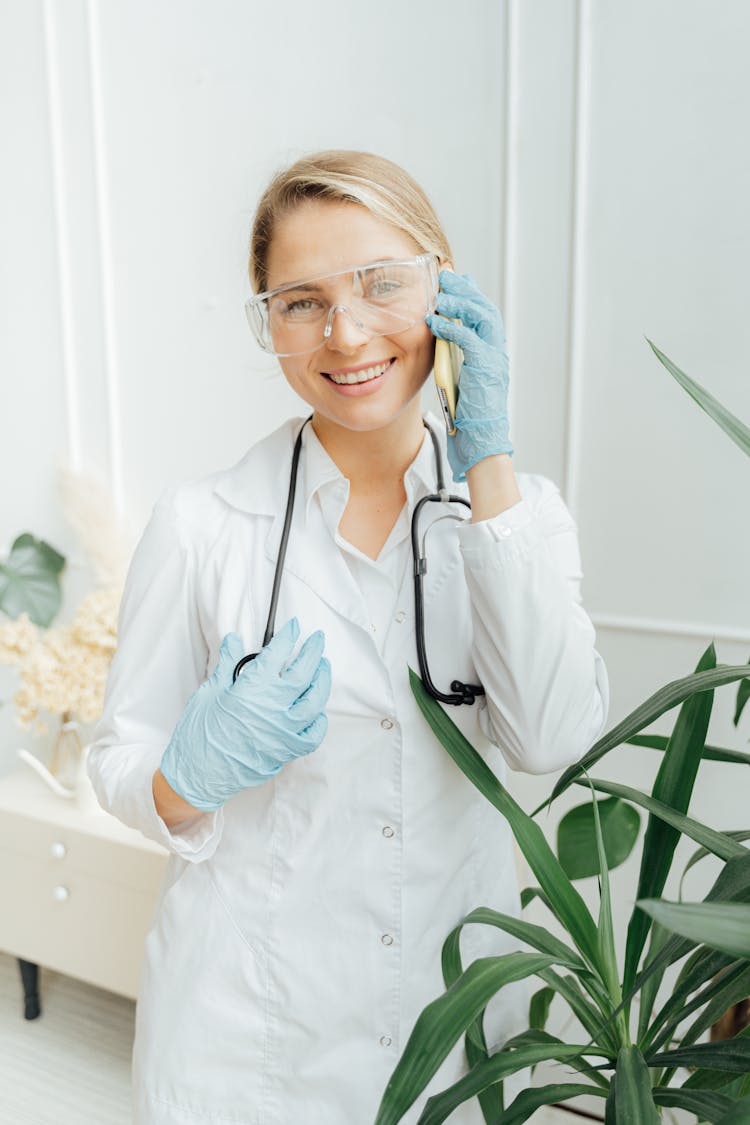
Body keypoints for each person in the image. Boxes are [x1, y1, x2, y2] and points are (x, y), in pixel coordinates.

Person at [87, 148, 610, 1125]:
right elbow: (121, 758)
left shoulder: (515, 514)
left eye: (382, 284)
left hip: (448, 1023)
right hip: (243, 1036)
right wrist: (187, 776)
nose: (347, 331)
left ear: (443, 288)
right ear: (270, 321)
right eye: (301, 300)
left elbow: (550, 737)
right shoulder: (203, 523)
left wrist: (488, 457)